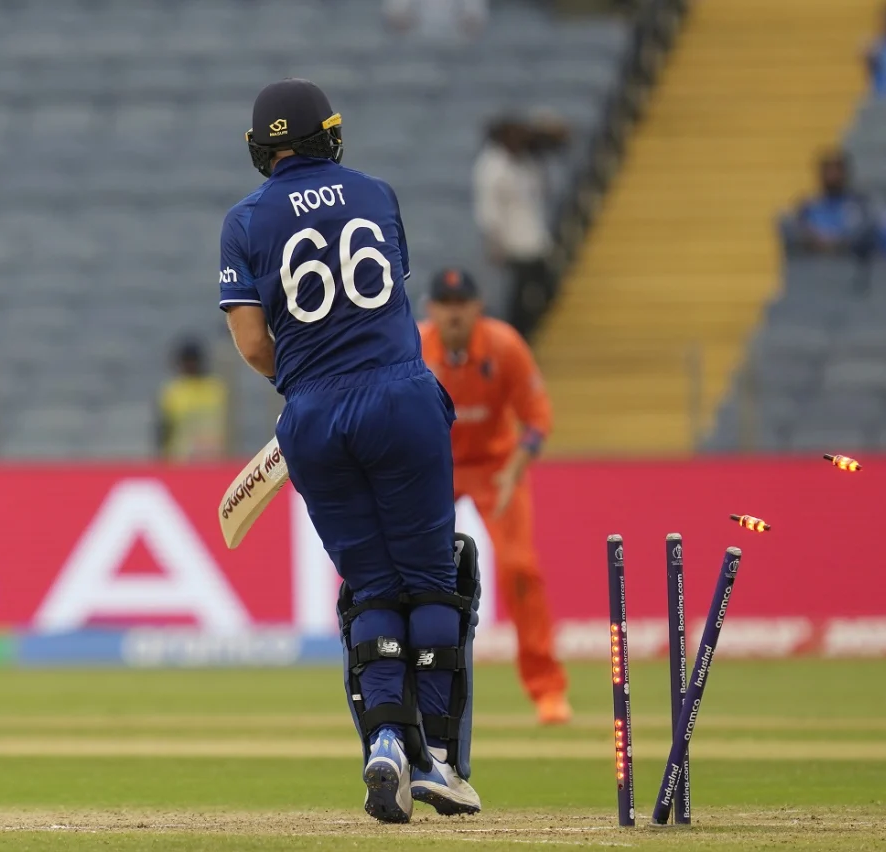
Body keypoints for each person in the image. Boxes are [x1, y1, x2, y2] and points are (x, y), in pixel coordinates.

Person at [219, 78, 481, 823]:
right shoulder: (376, 194)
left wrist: (307, 384)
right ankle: (437, 758)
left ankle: (386, 748)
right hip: (399, 396)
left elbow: (249, 342)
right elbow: (383, 300)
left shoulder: (242, 222)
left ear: (259, 151)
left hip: (312, 415)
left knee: (369, 587)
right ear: (330, 135)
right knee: (432, 579)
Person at [417, 268, 571, 727]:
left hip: (496, 469)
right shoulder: (416, 350)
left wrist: (515, 471)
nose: (454, 312)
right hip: (434, 470)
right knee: (415, 574)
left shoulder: (503, 347)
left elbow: (538, 419)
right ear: (432, 309)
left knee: (519, 567)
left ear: (477, 307)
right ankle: (414, 690)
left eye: (462, 302)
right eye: (445, 303)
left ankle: (547, 689)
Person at [473, 116, 567, 340]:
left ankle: (528, 332)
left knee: (544, 289)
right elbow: (488, 210)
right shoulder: (492, 167)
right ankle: (519, 337)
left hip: (535, 238)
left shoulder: (526, 160)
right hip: (513, 243)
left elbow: (559, 140)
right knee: (520, 296)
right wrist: (495, 242)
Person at [779, 150, 873, 258]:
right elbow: (796, 231)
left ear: (845, 173)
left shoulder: (859, 205)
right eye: (828, 170)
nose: (833, 175)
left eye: (837, 170)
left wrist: (837, 243)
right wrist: (815, 240)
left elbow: (863, 234)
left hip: (848, 264)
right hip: (815, 265)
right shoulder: (807, 207)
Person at [155, 338, 227, 461]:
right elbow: (163, 431)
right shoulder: (172, 392)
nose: (190, 365)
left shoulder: (216, 389)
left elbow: (229, 427)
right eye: (187, 361)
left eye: (193, 361)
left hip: (215, 460)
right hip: (181, 462)